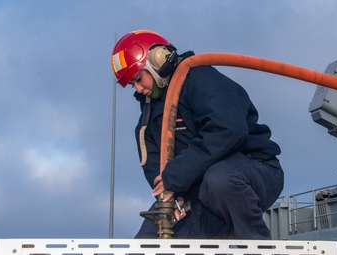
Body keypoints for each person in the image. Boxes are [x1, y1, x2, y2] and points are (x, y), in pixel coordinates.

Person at [111, 30, 284, 239]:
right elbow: (158, 169)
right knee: (149, 241)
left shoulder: (199, 78)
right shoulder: (149, 118)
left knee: (220, 181)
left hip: (254, 169)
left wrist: (176, 176)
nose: (138, 89)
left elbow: (227, 128)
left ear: (158, 60)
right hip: (199, 188)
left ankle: (259, 247)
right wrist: (174, 196)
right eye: (132, 84)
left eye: (139, 79)